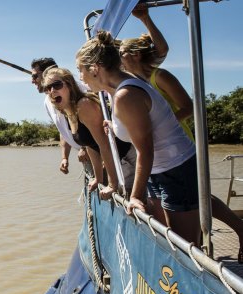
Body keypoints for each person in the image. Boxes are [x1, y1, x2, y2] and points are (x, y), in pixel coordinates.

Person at [120, 29, 243, 262]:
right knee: (195, 199)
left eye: (121, 53)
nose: (118, 58)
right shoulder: (131, 84)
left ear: (134, 55)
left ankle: (234, 232)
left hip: (178, 146)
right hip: (154, 154)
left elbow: (189, 106)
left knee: (198, 198)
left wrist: (159, 124)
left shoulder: (159, 76)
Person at [76, 30, 201, 246]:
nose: (80, 78)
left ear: (95, 69)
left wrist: (134, 196)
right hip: (160, 170)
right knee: (166, 239)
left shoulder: (126, 95)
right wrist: (114, 125)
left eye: (80, 70)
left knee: (185, 247)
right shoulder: (120, 88)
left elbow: (146, 150)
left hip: (176, 168)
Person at [41, 67, 137, 199]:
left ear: (69, 85)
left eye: (57, 85)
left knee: (134, 203)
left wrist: (111, 184)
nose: (52, 91)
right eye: (48, 88)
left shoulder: (84, 105)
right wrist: (98, 178)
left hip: (128, 157)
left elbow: (105, 145)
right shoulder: (68, 112)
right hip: (117, 161)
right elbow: (90, 145)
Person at [31, 58, 88, 175]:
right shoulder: (48, 101)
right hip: (86, 158)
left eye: (35, 76)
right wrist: (64, 157)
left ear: (48, 73)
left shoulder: (79, 91)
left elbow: (96, 123)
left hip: (104, 154)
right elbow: (63, 130)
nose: (33, 81)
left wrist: (86, 147)